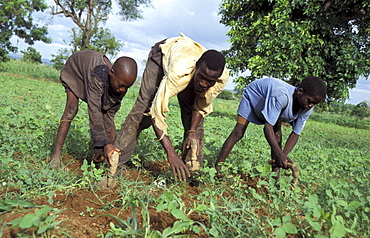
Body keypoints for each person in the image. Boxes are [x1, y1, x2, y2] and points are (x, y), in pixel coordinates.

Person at [112, 33, 229, 181]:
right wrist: (171, 153)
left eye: (209, 81)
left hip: (186, 58)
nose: (204, 84)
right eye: (201, 77)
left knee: (195, 125)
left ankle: (191, 172)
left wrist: (192, 130)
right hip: (162, 56)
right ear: (197, 67)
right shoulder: (178, 74)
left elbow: (200, 106)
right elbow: (157, 112)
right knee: (143, 110)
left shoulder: (220, 79)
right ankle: (115, 162)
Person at [215, 76, 327, 177]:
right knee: (238, 132)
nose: (310, 106)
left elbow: (296, 133)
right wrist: (279, 154)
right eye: (309, 101)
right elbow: (268, 127)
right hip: (254, 97)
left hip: (273, 106)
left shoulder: (307, 107)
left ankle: (275, 178)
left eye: (314, 104)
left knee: (277, 135)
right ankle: (217, 168)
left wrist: (283, 156)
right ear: (300, 91)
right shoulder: (281, 95)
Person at [50, 50, 138, 168]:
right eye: (121, 85)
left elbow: (109, 116)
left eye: (127, 87)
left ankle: (102, 157)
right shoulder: (98, 75)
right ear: (111, 72)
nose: (122, 90)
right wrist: (104, 143)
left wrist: (106, 147)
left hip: (92, 77)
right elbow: (94, 111)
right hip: (76, 70)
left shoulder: (120, 86)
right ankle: (55, 155)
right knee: (72, 108)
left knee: (107, 116)